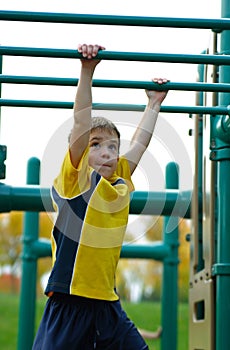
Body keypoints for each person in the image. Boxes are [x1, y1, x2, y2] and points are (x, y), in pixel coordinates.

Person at [33, 44, 168, 350]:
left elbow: (139, 145)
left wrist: (154, 105)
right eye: (96, 145)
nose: (105, 152)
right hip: (70, 300)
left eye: (111, 146)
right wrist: (87, 71)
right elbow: (81, 123)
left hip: (107, 302)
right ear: (81, 151)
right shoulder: (75, 177)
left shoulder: (117, 178)